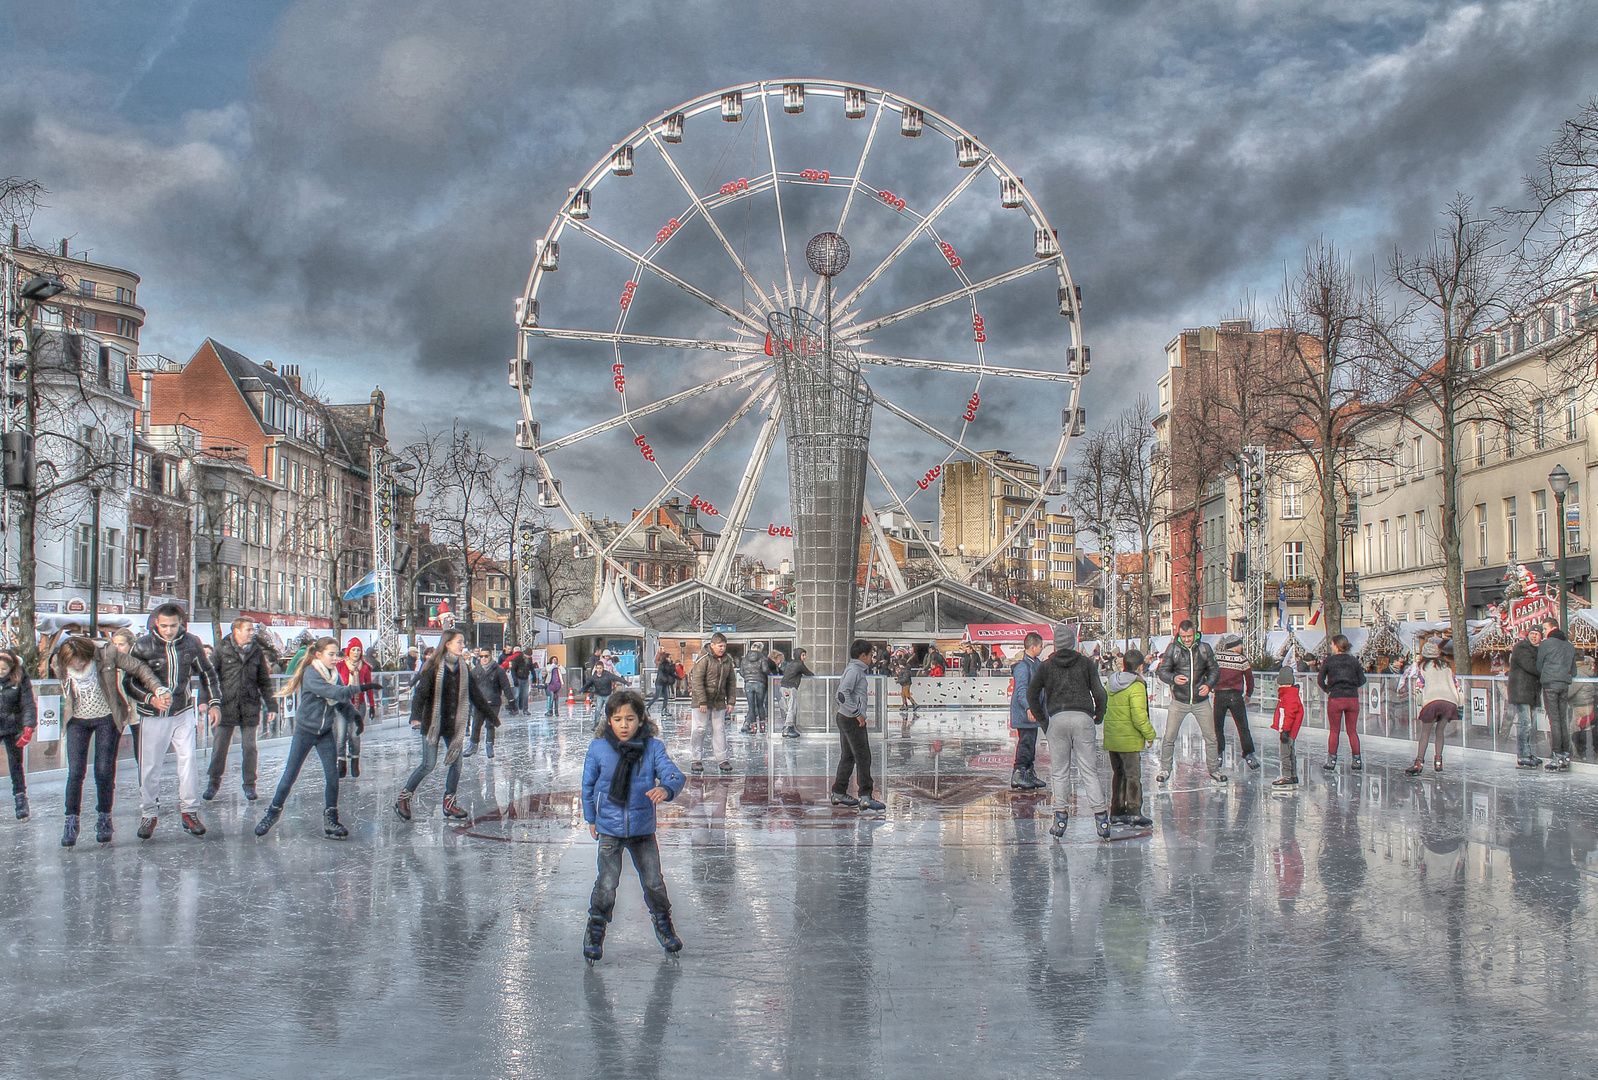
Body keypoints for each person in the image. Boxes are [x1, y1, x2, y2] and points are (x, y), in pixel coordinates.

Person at [580, 689, 686, 961]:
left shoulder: (652, 747)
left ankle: (664, 925)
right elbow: (588, 786)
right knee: (607, 882)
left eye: (630, 718)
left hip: (642, 830)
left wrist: (666, 788)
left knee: (653, 882)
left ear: (641, 719)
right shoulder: (598, 748)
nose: (624, 725)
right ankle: (596, 928)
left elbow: (673, 773)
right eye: (617, 719)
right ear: (609, 721)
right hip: (609, 829)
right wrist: (591, 817)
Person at [255, 638, 380, 840]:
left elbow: (340, 700)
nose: (335, 658)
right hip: (305, 731)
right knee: (290, 774)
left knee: (332, 776)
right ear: (319, 655)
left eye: (336, 654)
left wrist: (353, 714)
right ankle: (272, 812)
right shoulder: (311, 673)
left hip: (324, 733)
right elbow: (333, 692)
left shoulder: (334, 674)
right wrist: (362, 688)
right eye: (331, 654)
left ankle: (331, 817)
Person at [53, 636, 163, 845]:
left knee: (103, 770)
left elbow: (138, 667)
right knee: (75, 772)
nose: (77, 665)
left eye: (81, 661)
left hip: (107, 718)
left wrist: (156, 688)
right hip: (76, 719)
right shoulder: (60, 662)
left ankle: (104, 817)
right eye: (73, 662)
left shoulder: (106, 655)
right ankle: (71, 820)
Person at [126, 603, 221, 840]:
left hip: (182, 710)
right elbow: (130, 681)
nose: (169, 630)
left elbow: (207, 672)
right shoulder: (143, 645)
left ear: (181, 623)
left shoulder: (191, 642)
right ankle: (148, 813)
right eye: (165, 625)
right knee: (150, 766)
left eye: (174, 625)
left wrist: (214, 702)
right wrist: (150, 699)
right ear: (156, 622)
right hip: (153, 715)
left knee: (188, 762)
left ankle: (189, 811)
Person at [395, 630, 497, 822]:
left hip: (453, 724)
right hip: (433, 722)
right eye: (459, 642)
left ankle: (449, 803)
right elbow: (421, 693)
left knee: (457, 764)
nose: (462, 646)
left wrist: (492, 716)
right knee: (428, 764)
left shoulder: (464, 668)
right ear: (448, 644)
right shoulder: (433, 666)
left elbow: (475, 695)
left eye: (463, 642)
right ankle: (404, 798)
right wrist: (415, 716)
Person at [1026, 624, 1110, 838]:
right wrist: (1098, 713)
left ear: (1055, 644)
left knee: (1060, 772)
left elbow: (1032, 694)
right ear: (1074, 643)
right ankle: (1101, 819)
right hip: (1083, 718)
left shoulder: (1046, 666)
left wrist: (1044, 721)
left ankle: (1060, 819)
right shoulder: (1086, 663)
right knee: (1089, 771)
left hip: (1058, 719)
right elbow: (1100, 692)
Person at [205, 617, 278, 802]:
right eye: (248, 630)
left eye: (252, 630)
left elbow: (264, 681)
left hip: (249, 705)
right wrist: (207, 701)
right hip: (226, 705)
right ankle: (213, 782)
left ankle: (250, 785)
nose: (252, 633)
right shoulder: (222, 649)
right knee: (220, 747)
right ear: (236, 631)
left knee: (250, 747)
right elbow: (210, 677)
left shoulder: (256, 652)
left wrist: (272, 706)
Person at [1155, 620, 1223, 785]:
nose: (1186, 639)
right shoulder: (1173, 648)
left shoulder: (1204, 648)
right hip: (1179, 700)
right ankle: (1165, 769)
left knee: (1211, 737)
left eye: (1189, 636)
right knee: (1169, 736)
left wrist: (1208, 685)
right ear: (1179, 634)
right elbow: (1162, 671)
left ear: (1195, 633)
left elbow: (1215, 670)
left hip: (1201, 700)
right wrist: (1173, 679)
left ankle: (1214, 769)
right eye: (1183, 636)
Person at [1102, 650, 1156, 828]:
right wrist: (1150, 734)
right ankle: (1134, 812)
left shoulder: (1112, 682)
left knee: (1119, 775)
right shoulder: (1136, 685)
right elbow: (1139, 716)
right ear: (1141, 667)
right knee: (1133, 776)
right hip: (1129, 738)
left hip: (1113, 737)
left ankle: (1117, 812)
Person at [831, 639, 884, 810]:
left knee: (849, 756)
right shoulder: (855, 671)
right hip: (851, 719)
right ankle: (865, 796)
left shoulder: (854, 670)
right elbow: (841, 693)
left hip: (846, 717)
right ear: (863, 656)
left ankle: (839, 792)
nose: (872, 659)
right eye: (870, 655)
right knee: (863, 756)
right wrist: (857, 714)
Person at [1404, 639, 1459, 776]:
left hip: (1432, 701)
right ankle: (1438, 761)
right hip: (1449, 701)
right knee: (1439, 731)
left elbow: (1419, 686)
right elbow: (1456, 684)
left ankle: (1419, 762)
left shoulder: (1423, 667)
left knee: (1425, 733)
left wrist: (1419, 702)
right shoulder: (1447, 667)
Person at [1318, 634, 1368, 772]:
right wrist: (1352, 687)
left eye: (1332, 644)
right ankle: (1357, 759)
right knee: (1352, 731)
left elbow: (1320, 680)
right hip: (1352, 699)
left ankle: (1332, 760)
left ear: (1336, 645)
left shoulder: (1329, 661)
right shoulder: (1353, 661)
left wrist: (1328, 690)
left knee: (1334, 730)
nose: (1331, 647)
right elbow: (1362, 679)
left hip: (1336, 698)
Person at [688, 633, 736, 775]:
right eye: (720, 646)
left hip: (719, 701)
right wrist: (702, 701)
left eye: (724, 646)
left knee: (720, 729)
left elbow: (731, 682)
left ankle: (722, 758)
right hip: (701, 701)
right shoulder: (703, 660)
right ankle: (695, 758)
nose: (722, 648)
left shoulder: (727, 660)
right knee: (700, 729)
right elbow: (697, 681)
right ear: (712, 645)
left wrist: (731, 700)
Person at [1212, 634, 1259, 770]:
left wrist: (1210, 686)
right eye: (1240, 645)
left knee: (1218, 726)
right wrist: (1248, 694)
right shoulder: (1242, 660)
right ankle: (1248, 753)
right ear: (1235, 645)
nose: (1242, 647)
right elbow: (1249, 678)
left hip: (1220, 694)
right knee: (1242, 726)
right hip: (1235, 695)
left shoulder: (1217, 657)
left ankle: (1219, 753)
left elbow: (1211, 672)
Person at [0, 650, 36, 822]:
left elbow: (28, 703)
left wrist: (28, 727)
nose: (0, 671)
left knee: (15, 764)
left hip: (12, 725)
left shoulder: (20, 678)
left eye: (4, 668)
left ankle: (20, 798)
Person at [1008, 632, 1046, 791]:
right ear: (1033, 647)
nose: (1042, 648)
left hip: (1033, 711)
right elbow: (1021, 690)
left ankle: (1028, 771)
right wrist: (1028, 707)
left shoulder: (1035, 663)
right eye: (1040, 646)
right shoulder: (1023, 666)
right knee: (1026, 743)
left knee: (1031, 743)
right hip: (1025, 713)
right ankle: (1019, 773)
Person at [1537, 617, 1577, 771]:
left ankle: (1557, 755)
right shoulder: (1569, 645)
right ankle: (1566, 754)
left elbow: (1539, 665)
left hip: (1550, 684)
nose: (1543, 632)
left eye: (1545, 629)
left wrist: (1549, 673)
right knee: (1563, 720)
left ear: (1552, 628)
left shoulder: (1546, 644)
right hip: (1564, 684)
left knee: (1554, 721)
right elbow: (1573, 670)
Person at [334, 639, 376, 777]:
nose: (356, 653)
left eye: (358, 650)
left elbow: (368, 687)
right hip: (343, 704)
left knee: (354, 735)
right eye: (353, 649)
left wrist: (372, 705)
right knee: (341, 735)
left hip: (359, 705)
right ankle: (341, 762)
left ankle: (354, 761)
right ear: (348, 651)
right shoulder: (340, 666)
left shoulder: (365, 667)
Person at [465, 649, 513, 759]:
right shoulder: (476, 671)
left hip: (493, 701)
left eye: (486, 656)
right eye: (481, 656)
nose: (484, 658)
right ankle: (473, 745)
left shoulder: (498, 670)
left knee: (490, 724)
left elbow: (505, 686)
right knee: (476, 724)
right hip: (480, 702)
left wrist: (511, 701)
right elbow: (470, 686)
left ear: (490, 656)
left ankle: (489, 745)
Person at [1508, 626, 1544, 768]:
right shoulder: (1522, 647)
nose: (1534, 637)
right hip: (1522, 691)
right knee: (1525, 723)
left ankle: (1528, 753)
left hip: (1532, 692)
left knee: (1530, 724)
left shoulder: (1537, 649)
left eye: (1537, 634)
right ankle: (1523, 755)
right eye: (1532, 634)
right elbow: (1531, 667)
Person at [1270, 665, 1304, 788]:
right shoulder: (1288, 694)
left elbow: (1289, 714)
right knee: (1290, 751)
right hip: (1289, 729)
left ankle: (1287, 776)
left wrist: (1285, 730)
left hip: (1288, 730)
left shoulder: (1289, 695)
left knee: (1285, 752)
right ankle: (1293, 775)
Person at [780, 647, 814, 739]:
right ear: (799, 655)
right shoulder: (799, 664)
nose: (805, 657)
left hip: (784, 687)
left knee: (788, 707)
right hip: (791, 687)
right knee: (792, 707)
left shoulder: (791, 663)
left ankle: (789, 727)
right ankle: (788, 728)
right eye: (803, 655)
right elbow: (808, 673)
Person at [739, 644, 773, 735]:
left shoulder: (745, 659)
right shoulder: (762, 658)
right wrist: (770, 674)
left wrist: (747, 677)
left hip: (749, 683)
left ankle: (753, 726)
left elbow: (741, 671)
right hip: (760, 682)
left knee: (751, 706)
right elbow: (765, 670)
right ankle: (762, 726)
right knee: (760, 705)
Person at [583, 660, 625, 728]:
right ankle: (596, 724)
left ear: (603, 668)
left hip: (607, 693)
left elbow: (615, 674)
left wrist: (621, 678)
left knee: (607, 709)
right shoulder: (595, 675)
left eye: (600, 668)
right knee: (598, 709)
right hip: (600, 694)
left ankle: (609, 723)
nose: (599, 670)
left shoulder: (608, 672)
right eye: (598, 668)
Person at [648, 651, 676, 716]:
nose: (670, 659)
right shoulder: (662, 665)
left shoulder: (668, 665)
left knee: (666, 696)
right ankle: (647, 706)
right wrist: (667, 680)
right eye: (669, 658)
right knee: (657, 696)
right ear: (666, 658)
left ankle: (664, 709)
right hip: (660, 683)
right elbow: (661, 675)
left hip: (664, 684)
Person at [892, 649, 917, 714]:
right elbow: (901, 676)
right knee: (903, 695)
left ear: (902, 665)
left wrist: (899, 681)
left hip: (906, 684)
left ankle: (914, 704)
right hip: (904, 684)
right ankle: (905, 705)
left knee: (907, 694)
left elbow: (905, 678)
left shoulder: (906, 670)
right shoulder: (903, 670)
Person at [510, 647, 532, 716]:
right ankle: (515, 709)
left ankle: (525, 709)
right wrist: (515, 679)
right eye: (528, 656)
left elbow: (530, 667)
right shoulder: (517, 658)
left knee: (525, 695)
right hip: (518, 678)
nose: (528, 657)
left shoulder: (529, 659)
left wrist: (533, 675)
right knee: (516, 695)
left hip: (525, 678)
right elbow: (513, 669)